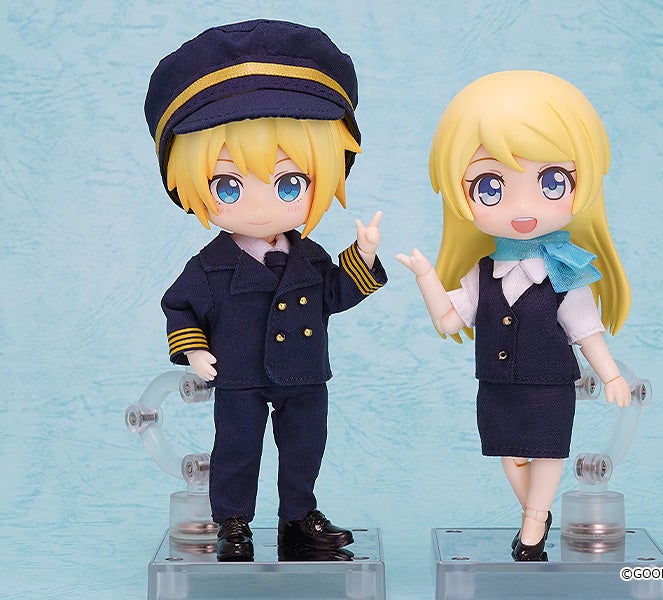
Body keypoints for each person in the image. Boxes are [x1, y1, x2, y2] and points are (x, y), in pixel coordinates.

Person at [145, 19, 386, 562]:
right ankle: (233, 521)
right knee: (236, 449)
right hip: (240, 374)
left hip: (304, 372)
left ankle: (299, 518)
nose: (260, 205)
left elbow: (334, 294)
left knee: (304, 447)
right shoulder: (210, 267)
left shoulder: (310, 257)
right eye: (228, 185)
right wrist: (195, 350)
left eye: (289, 182)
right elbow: (179, 305)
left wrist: (364, 257)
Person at [397, 70, 631, 561]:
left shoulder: (565, 270)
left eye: (552, 182)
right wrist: (425, 278)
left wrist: (610, 375)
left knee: (547, 451)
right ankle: (536, 514)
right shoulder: (482, 273)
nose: (523, 207)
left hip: (550, 384)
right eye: (490, 186)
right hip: (498, 385)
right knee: (510, 455)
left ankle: (532, 523)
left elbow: (586, 330)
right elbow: (449, 321)